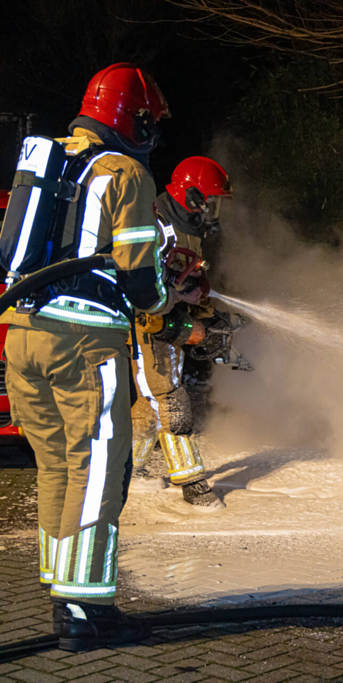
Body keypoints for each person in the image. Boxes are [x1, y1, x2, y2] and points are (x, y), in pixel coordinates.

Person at [1, 63, 195, 650]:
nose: (150, 133)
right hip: (86, 345)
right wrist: (171, 300)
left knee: (59, 466)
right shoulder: (125, 172)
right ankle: (86, 611)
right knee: (98, 471)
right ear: (128, 116)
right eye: (147, 121)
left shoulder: (48, 160)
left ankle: (63, 589)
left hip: (24, 333)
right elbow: (139, 278)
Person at [131, 156, 233, 507]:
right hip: (147, 324)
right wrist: (179, 297)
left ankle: (129, 470)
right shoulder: (153, 224)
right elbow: (144, 289)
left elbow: (192, 281)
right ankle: (192, 485)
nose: (210, 208)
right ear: (189, 195)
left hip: (166, 322)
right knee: (171, 401)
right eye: (207, 199)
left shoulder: (189, 229)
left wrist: (208, 316)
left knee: (151, 400)